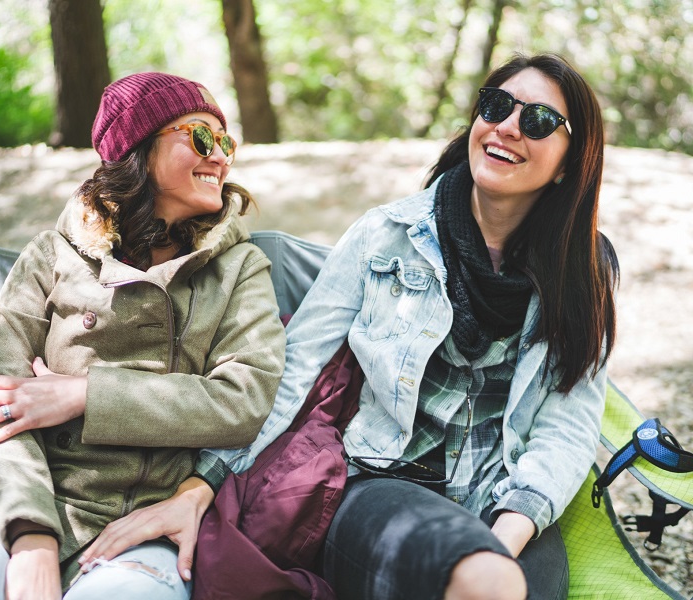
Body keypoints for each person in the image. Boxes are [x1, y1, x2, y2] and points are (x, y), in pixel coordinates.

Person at [207, 53, 619, 599]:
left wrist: (510, 527)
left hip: (503, 501)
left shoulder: (585, 272)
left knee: (504, 583)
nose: (508, 127)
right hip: (381, 482)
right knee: (488, 584)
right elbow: (293, 370)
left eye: (539, 120)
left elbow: (568, 423)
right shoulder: (387, 234)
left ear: (570, 162)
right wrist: (205, 480)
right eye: (497, 105)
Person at [0, 72, 286, 600]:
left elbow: (244, 400)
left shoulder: (241, 268)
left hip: (143, 519)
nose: (219, 156)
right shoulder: (50, 255)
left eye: (225, 142)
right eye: (199, 136)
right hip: (20, 496)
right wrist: (30, 539)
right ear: (137, 151)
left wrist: (82, 394)